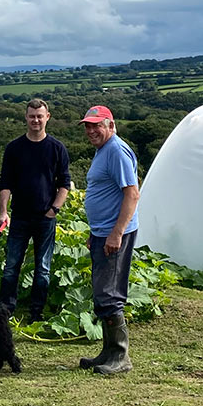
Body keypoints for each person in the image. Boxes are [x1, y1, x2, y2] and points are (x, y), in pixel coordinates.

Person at [0, 98, 71, 322]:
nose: (35, 120)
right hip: (19, 216)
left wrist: (54, 209)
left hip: (45, 219)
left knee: (43, 269)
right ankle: (5, 310)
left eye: (40, 116)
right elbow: (5, 182)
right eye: (32, 116)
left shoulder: (57, 149)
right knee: (11, 265)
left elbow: (65, 183)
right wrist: (3, 212)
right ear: (26, 118)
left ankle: (36, 312)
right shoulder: (14, 148)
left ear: (47, 117)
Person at [78, 105, 139, 376]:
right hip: (103, 233)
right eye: (88, 126)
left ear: (111, 125)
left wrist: (116, 233)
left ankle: (120, 356)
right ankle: (108, 351)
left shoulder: (116, 150)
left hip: (115, 234)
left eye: (97, 125)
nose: (91, 130)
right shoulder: (104, 150)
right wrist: (97, 234)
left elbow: (132, 194)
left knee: (110, 294)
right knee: (103, 292)